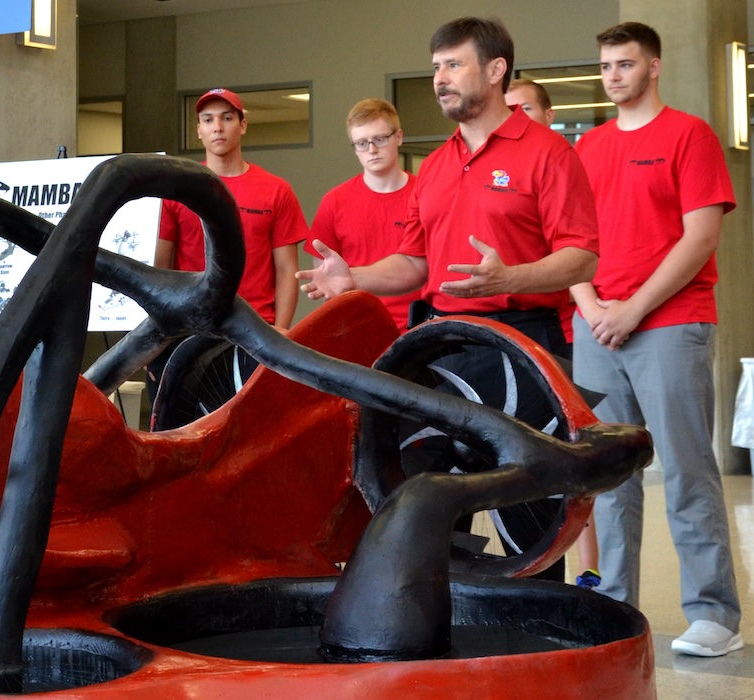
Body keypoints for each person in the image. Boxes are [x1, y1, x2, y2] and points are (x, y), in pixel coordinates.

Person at [298, 16, 599, 582]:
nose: (440, 78)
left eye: (453, 64)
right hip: (444, 345)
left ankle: (528, 644)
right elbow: (414, 264)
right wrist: (354, 277)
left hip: (525, 345)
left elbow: (582, 256)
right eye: (436, 66)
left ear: (495, 69)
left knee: (525, 507)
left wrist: (507, 278)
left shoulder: (549, 154)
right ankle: (446, 620)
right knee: (423, 485)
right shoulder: (433, 167)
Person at [572, 21, 742, 657]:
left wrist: (632, 309)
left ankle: (714, 616)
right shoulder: (587, 147)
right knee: (609, 478)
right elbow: (570, 243)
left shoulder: (689, 135)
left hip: (670, 323)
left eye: (625, 64)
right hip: (598, 327)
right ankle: (616, 604)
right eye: (606, 65)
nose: (613, 75)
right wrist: (591, 306)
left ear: (653, 67)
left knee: (687, 471)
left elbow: (699, 238)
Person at [505, 78, 601, 591]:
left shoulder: (555, 161)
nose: (516, 116)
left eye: (525, 109)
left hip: (559, 334)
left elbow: (580, 255)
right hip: (535, 332)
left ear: (546, 113)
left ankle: (586, 570)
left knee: (567, 462)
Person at [150, 88, 309, 394]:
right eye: (208, 120)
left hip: (255, 334)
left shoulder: (276, 191)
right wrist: (158, 336)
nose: (217, 127)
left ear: (243, 125)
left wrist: (282, 330)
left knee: (255, 434)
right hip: (189, 334)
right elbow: (160, 270)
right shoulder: (176, 189)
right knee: (181, 432)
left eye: (226, 118)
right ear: (199, 130)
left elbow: (287, 269)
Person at [305, 98, 420, 334]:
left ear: (398, 136)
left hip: (420, 327)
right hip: (359, 329)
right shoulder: (335, 201)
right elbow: (328, 279)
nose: (372, 150)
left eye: (379, 139)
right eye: (361, 143)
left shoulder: (426, 194)